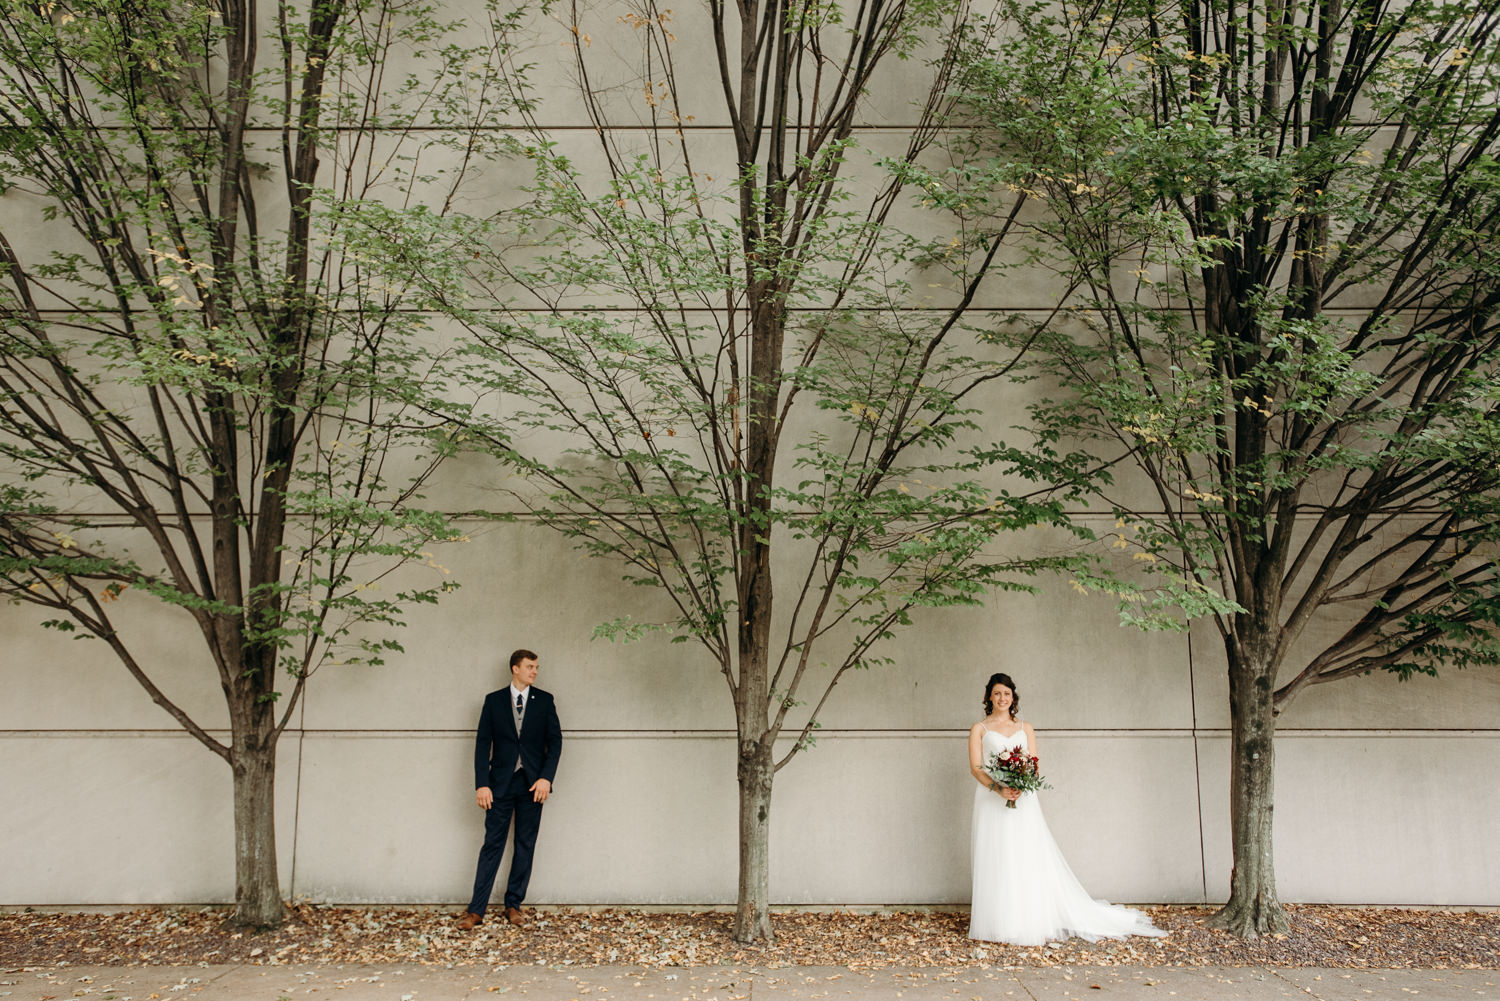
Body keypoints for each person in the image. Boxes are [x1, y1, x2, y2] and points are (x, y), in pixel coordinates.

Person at [968, 672, 1166, 945]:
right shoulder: (980, 729)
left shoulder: (1026, 728)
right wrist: (998, 788)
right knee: (996, 855)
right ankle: (998, 923)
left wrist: (1020, 784)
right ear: (990, 695)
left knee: (1024, 855)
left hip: (1023, 799)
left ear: (1013, 698)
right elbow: (976, 767)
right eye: (998, 693)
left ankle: (1027, 919)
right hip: (991, 800)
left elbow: (1033, 764)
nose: (1002, 698)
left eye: (1007, 694)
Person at [457, 649, 562, 930]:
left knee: (525, 844)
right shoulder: (493, 702)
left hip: (532, 784)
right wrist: (482, 783)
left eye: (537, 667)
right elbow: (482, 744)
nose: (535, 671)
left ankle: (513, 905)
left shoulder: (545, 701)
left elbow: (555, 743)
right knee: (492, 845)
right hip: (500, 784)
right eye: (530, 666)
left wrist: (546, 779)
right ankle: (476, 910)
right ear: (515, 668)